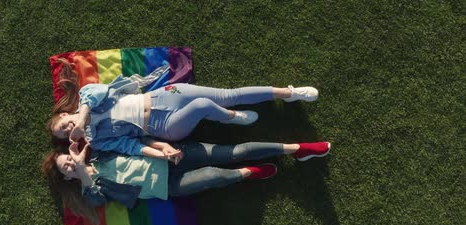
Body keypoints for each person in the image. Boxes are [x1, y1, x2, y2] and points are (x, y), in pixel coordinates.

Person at [48, 58, 320, 158]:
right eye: (65, 135)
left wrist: (83, 119)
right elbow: (129, 147)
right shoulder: (99, 141)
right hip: (164, 126)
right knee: (203, 105)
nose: (68, 130)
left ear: (64, 115)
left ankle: (288, 93)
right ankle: (231, 118)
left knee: (229, 94)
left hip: (162, 98)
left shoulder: (86, 98)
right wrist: (160, 151)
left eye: (63, 126)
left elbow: (96, 93)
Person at [42, 138, 331, 223]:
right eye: (65, 169)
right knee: (218, 176)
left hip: (174, 157)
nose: (69, 164)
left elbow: (131, 140)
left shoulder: (100, 151)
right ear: (67, 178)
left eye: (65, 159)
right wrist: (82, 174)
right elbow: (98, 202)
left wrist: (163, 148)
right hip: (169, 186)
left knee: (232, 151)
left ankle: (298, 150)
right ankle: (249, 174)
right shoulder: (90, 191)